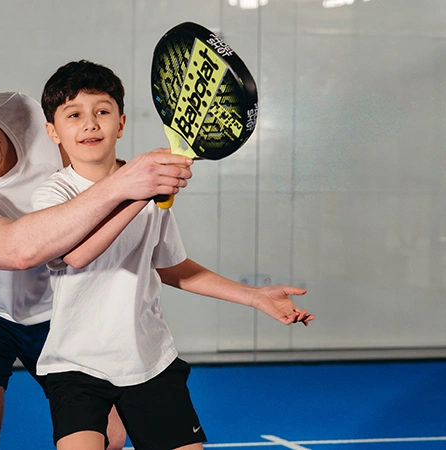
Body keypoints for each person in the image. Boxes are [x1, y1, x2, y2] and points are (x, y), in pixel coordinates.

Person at [0, 50, 195, 450]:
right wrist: (129, 183)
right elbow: (19, 250)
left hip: (57, 302)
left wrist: (142, 179)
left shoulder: (25, 112)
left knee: (110, 436)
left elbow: (88, 173)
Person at [32, 60, 315, 450]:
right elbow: (78, 254)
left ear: (122, 122)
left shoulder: (148, 184)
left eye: (102, 111)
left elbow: (173, 268)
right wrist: (140, 191)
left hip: (149, 360)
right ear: (53, 131)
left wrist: (253, 295)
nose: (90, 124)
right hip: (75, 364)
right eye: (74, 114)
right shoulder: (53, 196)